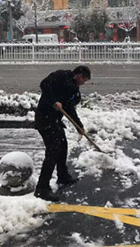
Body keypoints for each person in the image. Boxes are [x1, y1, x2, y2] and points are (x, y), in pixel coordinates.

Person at [34, 66, 91, 201]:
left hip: (55, 120)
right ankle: (42, 188)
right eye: (84, 79)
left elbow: (69, 108)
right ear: (79, 75)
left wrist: (79, 125)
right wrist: (54, 101)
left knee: (63, 146)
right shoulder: (61, 75)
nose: (83, 83)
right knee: (53, 151)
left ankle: (63, 176)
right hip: (44, 119)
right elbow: (44, 84)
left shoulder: (74, 90)